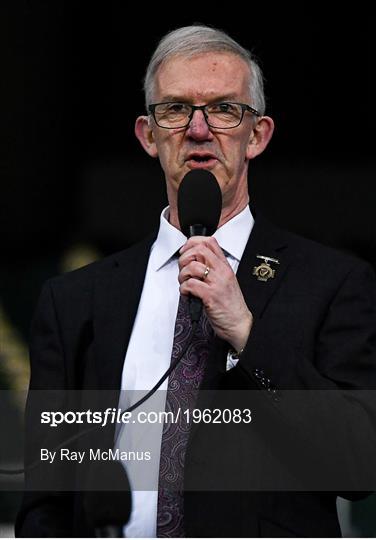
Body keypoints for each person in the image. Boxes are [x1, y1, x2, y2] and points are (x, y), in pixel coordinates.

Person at [16, 24, 376, 538]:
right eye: (176, 109)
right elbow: (46, 493)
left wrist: (250, 337)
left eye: (225, 109)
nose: (199, 129)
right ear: (148, 134)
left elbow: (357, 467)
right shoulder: (75, 300)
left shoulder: (332, 283)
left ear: (258, 135)